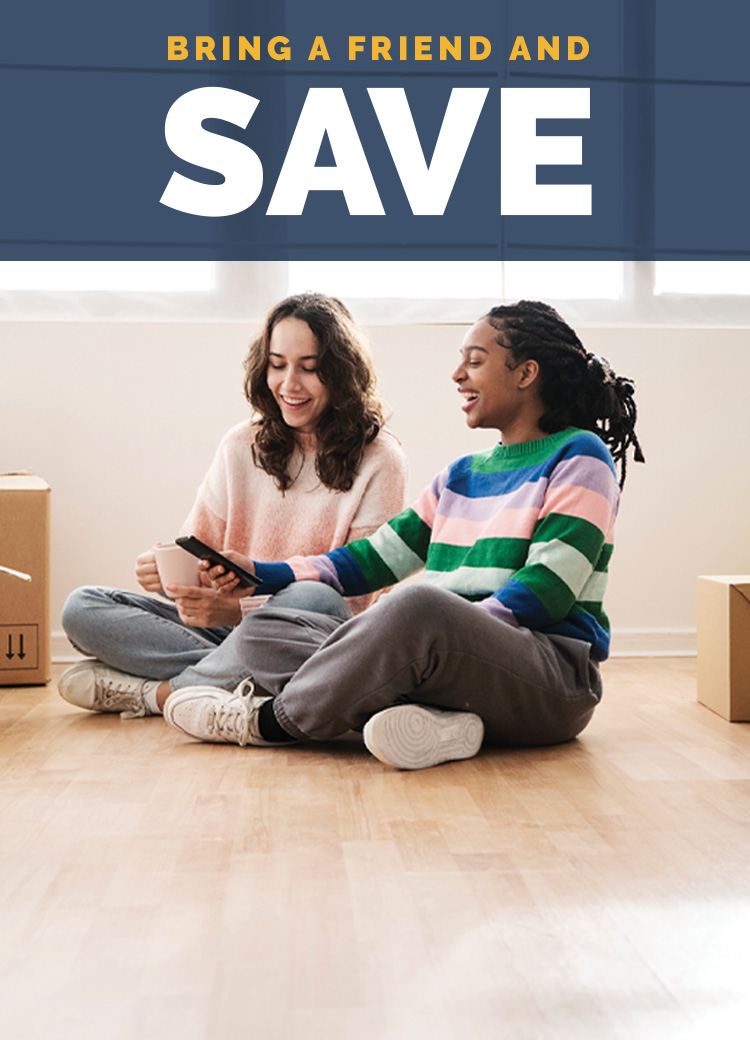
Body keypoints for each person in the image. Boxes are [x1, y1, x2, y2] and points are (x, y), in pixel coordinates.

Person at [163, 300, 645, 771]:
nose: (458, 375)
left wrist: (433, 636)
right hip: (450, 660)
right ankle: (434, 721)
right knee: (265, 630)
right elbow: (370, 559)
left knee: (415, 607)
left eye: (474, 361)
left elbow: (549, 589)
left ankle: (268, 721)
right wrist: (263, 574)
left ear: (526, 373)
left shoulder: (581, 456)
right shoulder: (462, 475)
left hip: (549, 677)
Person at [58, 293, 409, 720]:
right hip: (226, 631)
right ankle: (236, 681)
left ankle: (157, 696)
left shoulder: (381, 460)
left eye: (310, 368)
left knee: (314, 595)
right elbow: (201, 552)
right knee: (82, 606)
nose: (289, 384)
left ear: (342, 373)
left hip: (307, 628)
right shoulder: (241, 444)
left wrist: (244, 609)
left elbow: (353, 598)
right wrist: (168, 573)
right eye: (277, 365)